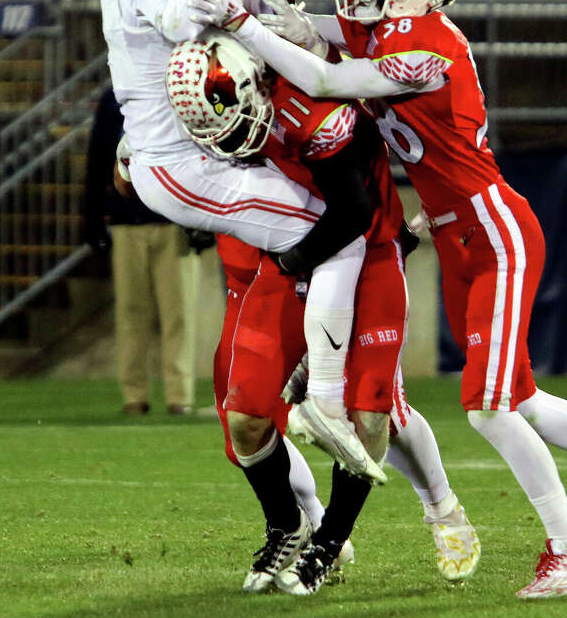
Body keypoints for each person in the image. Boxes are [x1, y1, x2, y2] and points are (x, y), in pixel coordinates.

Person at [199, 0, 567, 599]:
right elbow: (305, 29)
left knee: (487, 407)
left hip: (493, 231)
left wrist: (251, 27)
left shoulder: (426, 49)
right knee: (519, 399)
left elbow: (329, 79)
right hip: (454, 230)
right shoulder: (385, 24)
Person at [95, 0, 381, 481]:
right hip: (183, 166)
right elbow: (178, 17)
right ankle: (325, 397)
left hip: (179, 153)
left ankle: (311, 384)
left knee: (332, 234)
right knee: (342, 237)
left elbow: (254, 25)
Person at [167, 32, 480, 594]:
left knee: (373, 416)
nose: (236, 142)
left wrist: (297, 262)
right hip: (283, 266)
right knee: (243, 418)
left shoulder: (312, 106)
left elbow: (353, 215)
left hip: (357, 256)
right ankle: (287, 524)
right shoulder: (212, 95)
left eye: (239, 128)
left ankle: (340, 540)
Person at [82, 86, 197, 414]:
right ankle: (135, 395)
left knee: (178, 313)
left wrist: (201, 218)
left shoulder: (176, 89)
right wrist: (92, 218)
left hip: (173, 218)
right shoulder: (111, 98)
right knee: (132, 311)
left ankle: (179, 395)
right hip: (126, 220)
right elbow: (98, 158)